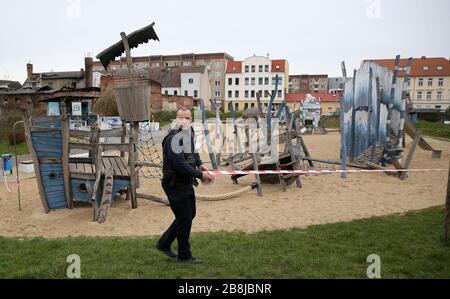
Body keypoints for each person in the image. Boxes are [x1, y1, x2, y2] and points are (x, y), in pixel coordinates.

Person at [156, 106, 213, 264]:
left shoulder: (190, 133)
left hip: (185, 181)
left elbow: (193, 153)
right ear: (176, 119)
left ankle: (164, 243)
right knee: (185, 218)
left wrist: (200, 164)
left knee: (188, 215)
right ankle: (184, 256)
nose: (184, 121)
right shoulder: (172, 139)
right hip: (174, 183)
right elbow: (179, 164)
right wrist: (200, 175)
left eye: (187, 117)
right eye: (181, 117)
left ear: (191, 119)